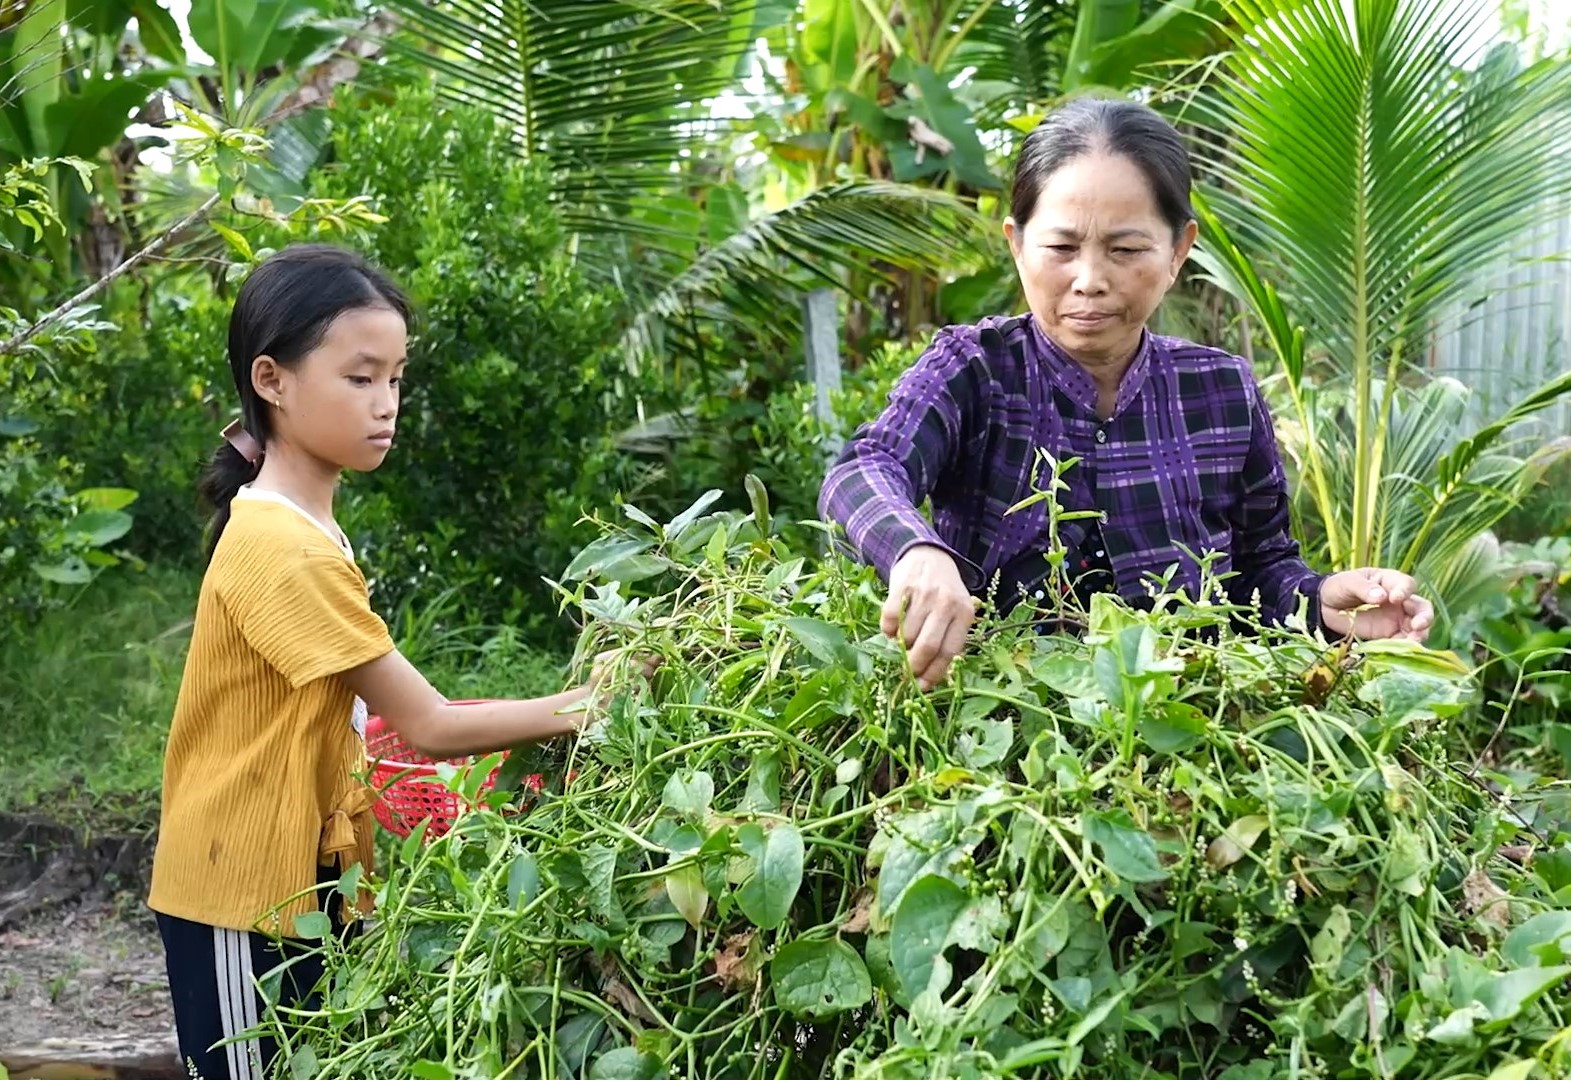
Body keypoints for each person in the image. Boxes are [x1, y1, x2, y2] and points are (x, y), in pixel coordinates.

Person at [147, 245, 622, 1079]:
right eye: (360, 377)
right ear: (272, 380)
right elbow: (429, 724)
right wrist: (590, 703)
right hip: (241, 893)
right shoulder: (281, 545)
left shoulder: (301, 521)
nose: (385, 404)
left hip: (306, 881)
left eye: (396, 378)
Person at [819, 98, 1433, 692]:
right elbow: (863, 469)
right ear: (1016, 244)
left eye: (1126, 249)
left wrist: (1329, 606)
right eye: (1061, 248)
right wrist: (917, 553)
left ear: (1178, 250)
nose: (1090, 280)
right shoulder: (976, 369)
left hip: (1192, 730)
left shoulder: (1223, 392)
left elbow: (1261, 574)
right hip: (1002, 723)